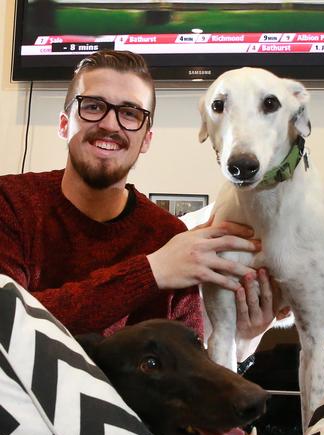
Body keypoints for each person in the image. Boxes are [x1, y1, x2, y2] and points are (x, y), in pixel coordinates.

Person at [0, 50, 263, 339]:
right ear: (64, 124)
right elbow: (8, 322)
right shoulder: (10, 202)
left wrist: (240, 344)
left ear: (146, 139)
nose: (110, 125)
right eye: (93, 106)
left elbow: (182, 368)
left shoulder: (167, 237)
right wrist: (151, 273)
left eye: (130, 113)